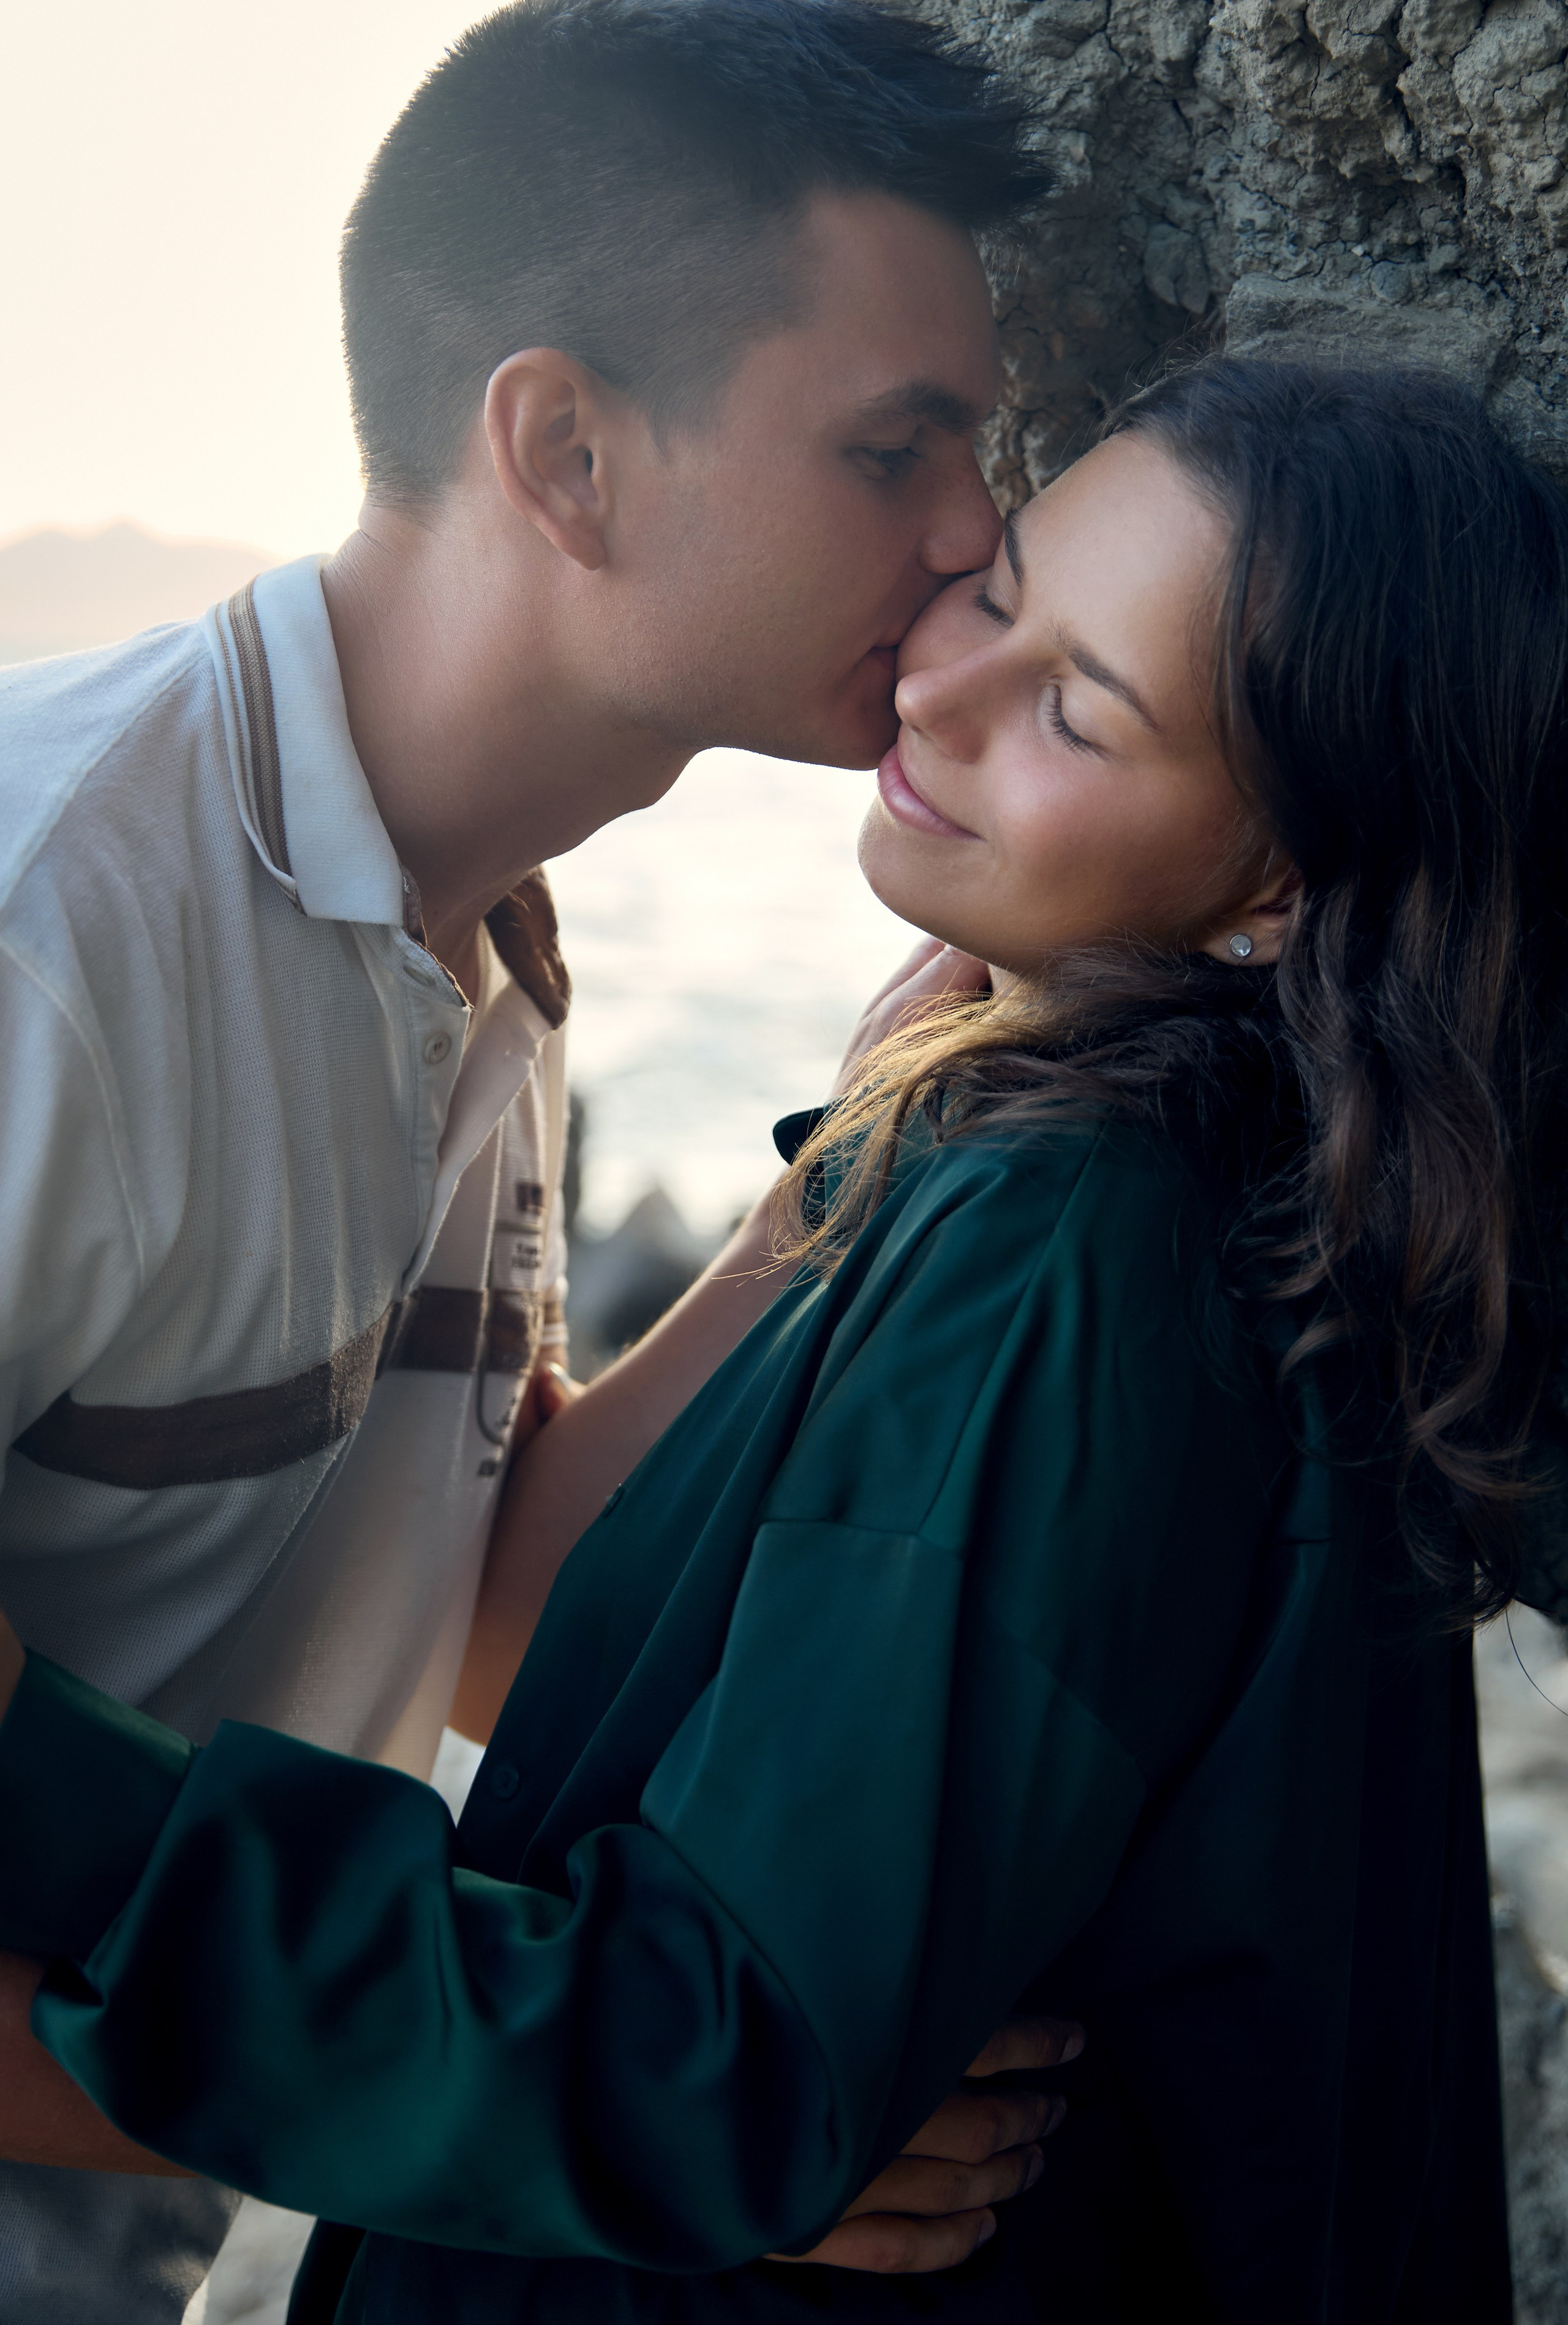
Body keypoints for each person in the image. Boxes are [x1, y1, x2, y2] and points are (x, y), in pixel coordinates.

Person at [2, 353, 1551, 2322]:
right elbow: (553, 1650)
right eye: (998, 593)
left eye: (1073, 704)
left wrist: (35, 1773)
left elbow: (718, 2070)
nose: (936, 684)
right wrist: (841, 1177)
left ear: (1271, 892)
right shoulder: (1195, 1198)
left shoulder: (1082, 1236)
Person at [0, 2, 1066, 2317]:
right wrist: (603, 2108)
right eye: (901, 447)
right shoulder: (50, 916)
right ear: (566, 450)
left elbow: (477, 1607)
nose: (986, 530)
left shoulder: (480, 927)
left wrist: (841, 1183)